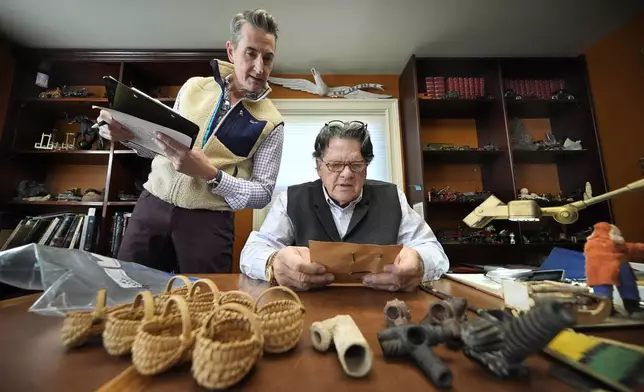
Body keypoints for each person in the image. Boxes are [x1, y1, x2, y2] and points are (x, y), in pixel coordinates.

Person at [96, 9, 284, 274]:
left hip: (209, 223)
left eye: (268, 58)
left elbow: (262, 193)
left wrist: (212, 175)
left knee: (205, 304)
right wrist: (129, 137)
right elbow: (162, 148)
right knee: (130, 290)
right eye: (251, 53)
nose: (259, 67)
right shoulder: (194, 86)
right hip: (152, 204)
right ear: (231, 51)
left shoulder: (273, 122)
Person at [240, 120, 449, 291]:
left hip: (379, 305)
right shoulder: (291, 198)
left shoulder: (393, 197)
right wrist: (273, 263)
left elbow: (434, 252)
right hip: (308, 307)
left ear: (366, 168)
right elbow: (252, 251)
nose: (347, 174)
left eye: (356, 165)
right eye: (335, 165)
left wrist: (420, 263)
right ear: (319, 167)